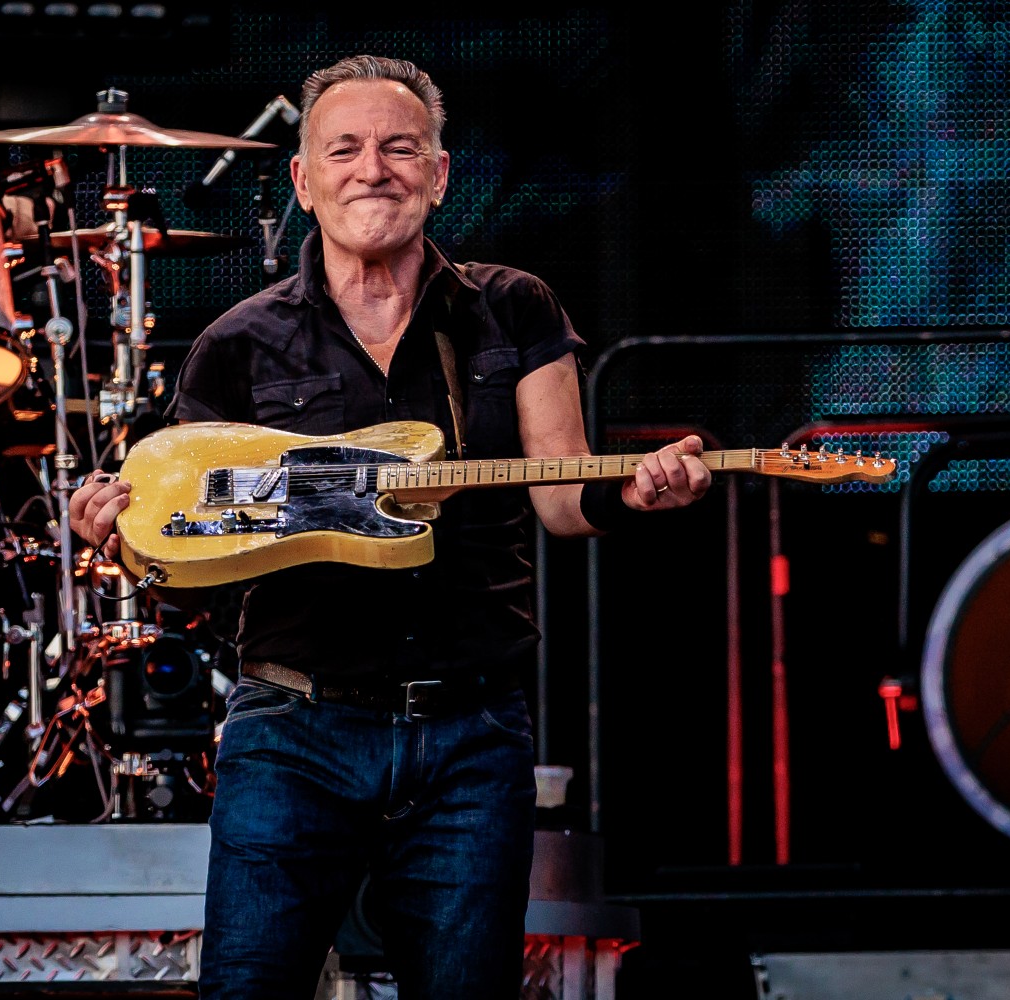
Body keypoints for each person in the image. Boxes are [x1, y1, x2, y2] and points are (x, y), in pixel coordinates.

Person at [69, 54, 712, 999]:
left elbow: (561, 493)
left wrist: (635, 494)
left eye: (401, 147)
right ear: (304, 179)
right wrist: (122, 541)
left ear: (440, 174)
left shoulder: (514, 307)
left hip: (469, 729)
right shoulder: (238, 343)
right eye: (346, 148)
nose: (375, 168)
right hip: (293, 728)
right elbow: (187, 544)